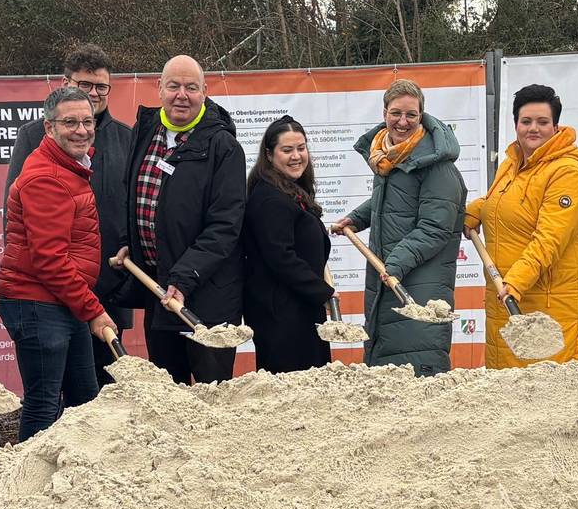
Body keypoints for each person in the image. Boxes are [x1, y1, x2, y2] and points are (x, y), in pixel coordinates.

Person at [5, 45, 134, 385]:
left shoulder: (127, 138)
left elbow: (133, 208)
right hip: (55, 291)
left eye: (101, 87)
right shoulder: (34, 136)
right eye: (84, 85)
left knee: (106, 390)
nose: (93, 93)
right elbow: (18, 219)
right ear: (65, 83)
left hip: (109, 286)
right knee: (54, 393)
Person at [116, 56, 246, 384]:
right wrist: (126, 241)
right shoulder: (145, 131)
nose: (181, 95)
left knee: (211, 396)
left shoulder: (223, 146)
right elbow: (129, 194)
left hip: (207, 300)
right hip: (158, 291)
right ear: (159, 89)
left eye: (191, 87)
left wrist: (185, 278)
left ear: (205, 92)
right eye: (173, 86)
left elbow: (225, 225)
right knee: (168, 397)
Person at [0, 87, 119, 438]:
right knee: (44, 403)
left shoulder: (70, 168)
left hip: (63, 301)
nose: (81, 130)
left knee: (84, 397)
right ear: (49, 128)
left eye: (87, 121)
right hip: (36, 302)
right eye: (70, 122)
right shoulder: (46, 177)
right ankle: (24, 488)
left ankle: (79, 480)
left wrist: (83, 306)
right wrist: (94, 310)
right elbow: (50, 260)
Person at [337, 79, 466, 376]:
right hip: (391, 279)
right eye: (396, 113)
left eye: (411, 114)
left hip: (420, 285)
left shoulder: (437, 165)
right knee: (386, 373)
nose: (403, 121)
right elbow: (393, 202)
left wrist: (393, 263)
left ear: (422, 116)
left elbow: (435, 227)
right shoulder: (388, 157)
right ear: (384, 113)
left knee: (417, 370)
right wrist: (356, 218)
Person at [466, 83, 578, 366]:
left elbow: (549, 238)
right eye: (526, 121)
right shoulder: (511, 164)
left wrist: (514, 283)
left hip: (555, 303)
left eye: (542, 122)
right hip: (510, 299)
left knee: (553, 397)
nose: (533, 129)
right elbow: (503, 203)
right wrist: (475, 212)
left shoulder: (567, 172)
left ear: (555, 126)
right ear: (516, 124)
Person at [241, 116, 334, 373]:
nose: (296, 156)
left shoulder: (289, 192)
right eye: (287, 150)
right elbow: (280, 257)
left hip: (299, 310)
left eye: (301, 148)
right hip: (282, 317)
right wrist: (321, 291)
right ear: (269, 155)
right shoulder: (269, 199)